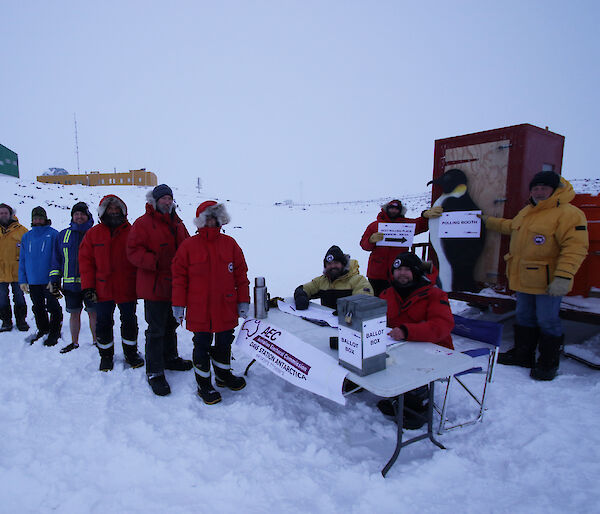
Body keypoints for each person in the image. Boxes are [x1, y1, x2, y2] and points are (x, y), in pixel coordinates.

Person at [481, 171, 588, 381]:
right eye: (535, 188)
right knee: (524, 318)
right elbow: (510, 226)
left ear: (554, 189)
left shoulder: (569, 213)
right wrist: (484, 221)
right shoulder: (527, 212)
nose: (539, 191)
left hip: (548, 282)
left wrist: (564, 277)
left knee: (548, 321)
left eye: (544, 187)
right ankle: (523, 355)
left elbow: (576, 247)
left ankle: (548, 362)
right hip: (523, 280)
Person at [171, 200, 250, 405]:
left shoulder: (230, 243)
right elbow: (179, 278)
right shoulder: (188, 246)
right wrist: (178, 305)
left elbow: (241, 276)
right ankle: (204, 384)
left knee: (224, 342)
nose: (211, 221)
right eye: (207, 217)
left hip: (225, 306)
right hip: (200, 308)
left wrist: (243, 301)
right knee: (201, 345)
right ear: (200, 220)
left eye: (215, 217)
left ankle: (223, 376)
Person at [127, 184, 192, 397]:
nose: (166, 202)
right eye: (163, 198)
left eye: (169, 198)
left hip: (175, 285)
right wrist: (154, 261)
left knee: (171, 323)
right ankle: (154, 371)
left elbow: (188, 246)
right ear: (154, 201)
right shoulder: (142, 223)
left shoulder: (179, 223)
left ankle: (170, 358)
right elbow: (133, 251)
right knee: (155, 329)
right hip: (154, 285)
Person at [378, 252, 455, 429]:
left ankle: (418, 406)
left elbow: (442, 325)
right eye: (397, 269)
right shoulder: (387, 293)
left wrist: (407, 331)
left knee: (409, 364)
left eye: (406, 269)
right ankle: (399, 397)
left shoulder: (435, 294)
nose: (401, 273)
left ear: (416, 272)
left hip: (434, 350)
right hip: (399, 346)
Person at [79, 195, 144, 372]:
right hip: (102, 288)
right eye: (110, 209)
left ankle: (131, 353)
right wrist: (88, 287)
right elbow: (85, 262)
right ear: (103, 212)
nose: (113, 212)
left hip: (127, 287)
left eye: (117, 209)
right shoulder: (93, 234)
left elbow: (140, 259)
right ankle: (106, 356)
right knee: (103, 323)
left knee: (129, 321)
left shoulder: (133, 232)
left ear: (123, 211)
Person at [360, 199, 442, 296]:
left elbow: (421, 225)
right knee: (375, 299)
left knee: (395, 299)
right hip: (376, 272)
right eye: (391, 208)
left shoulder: (406, 225)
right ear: (386, 209)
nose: (393, 211)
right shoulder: (374, 225)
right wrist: (371, 240)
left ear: (400, 211)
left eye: (396, 209)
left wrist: (425, 215)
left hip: (398, 272)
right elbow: (364, 245)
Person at [49, 202, 96, 353]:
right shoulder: (63, 235)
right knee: (74, 314)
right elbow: (56, 259)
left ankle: (97, 341)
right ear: (72, 216)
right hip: (71, 285)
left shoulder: (94, 233)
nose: (79, 217)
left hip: (92, 284)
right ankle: (74, 342)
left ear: (87, 216)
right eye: (76, 214)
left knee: (93, 314)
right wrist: (54, 280)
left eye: (82, 214)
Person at [18, 206, 63, 345]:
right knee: (37, 307)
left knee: (53, 306)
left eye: (40, 217)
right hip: (33, 280)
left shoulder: (54, 234)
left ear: (45, 218)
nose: (38, 220)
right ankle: (43, 329)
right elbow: (23, 259)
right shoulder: (27, 236)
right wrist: (22, 280)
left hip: (49, 280)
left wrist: (55, 279)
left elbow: (59, 258)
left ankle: (55, 331)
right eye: (35, 218)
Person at [293, 245, 373, 311]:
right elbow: (304, 289)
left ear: (343, 264)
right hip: (326, 325)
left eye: (336, 263)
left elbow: (364, 299)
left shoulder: (358, 280)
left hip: (350, 325)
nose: (333, 266)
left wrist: (346, 310)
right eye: (329, 264)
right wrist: (301, 296)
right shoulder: (321, 281)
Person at [0, 203, 29, 332]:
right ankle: (6, 321)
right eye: (1, 213)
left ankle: (21, 321)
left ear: (11, 214)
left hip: (18, 272)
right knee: (2, 298)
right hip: (0, 272)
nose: (3, 215)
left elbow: (29, 251)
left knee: (19, 297)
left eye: (5, 212)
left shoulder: (22, 230)